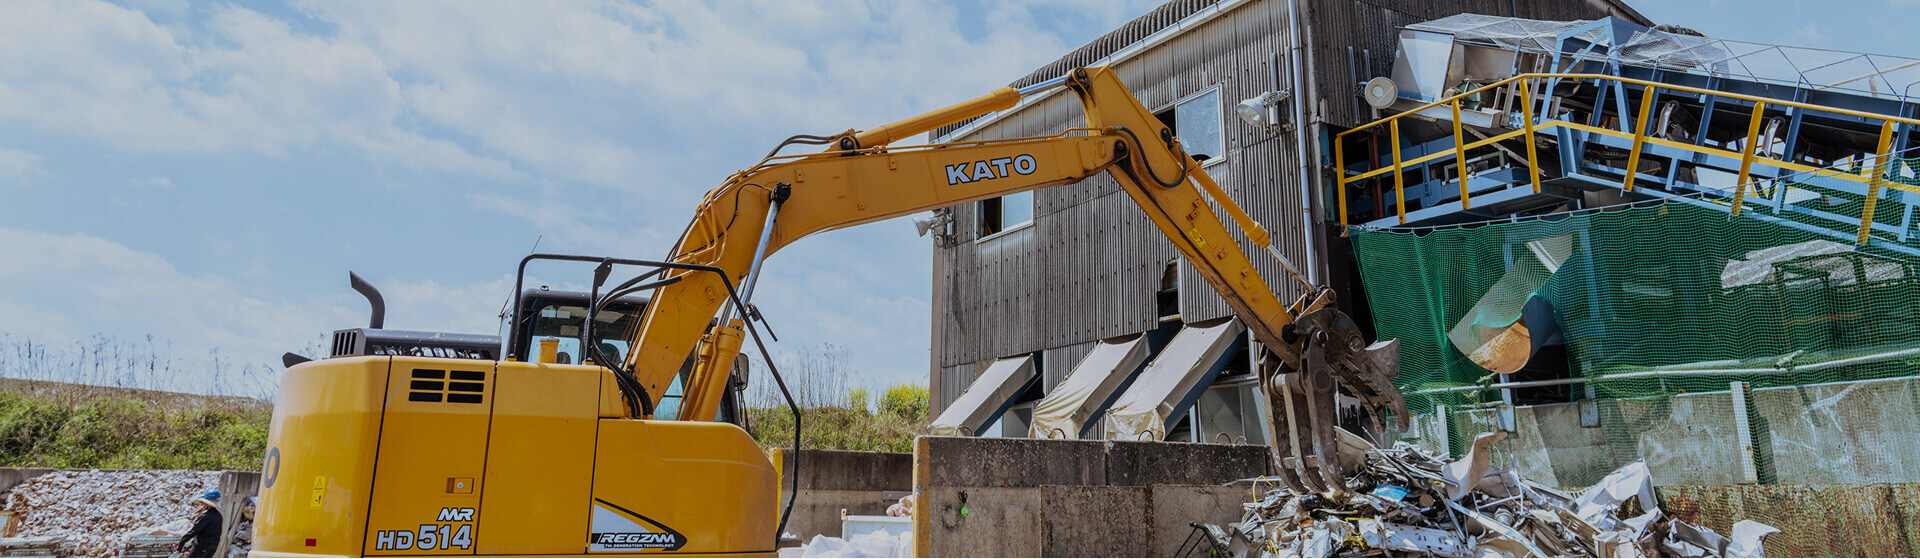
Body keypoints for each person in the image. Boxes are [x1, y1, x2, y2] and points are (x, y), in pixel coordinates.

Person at [174, 490, 224, 558]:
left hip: (201, 547)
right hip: (213, 547)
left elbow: (193, 531)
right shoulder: (219, 515)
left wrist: (181, 544)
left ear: (206, 503)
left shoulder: (205, 516)